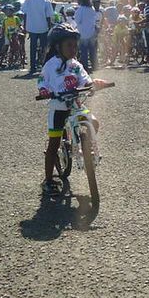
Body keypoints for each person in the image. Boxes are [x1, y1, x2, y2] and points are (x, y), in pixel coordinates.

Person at [37, 24, 111, 195]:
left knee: (93, 122)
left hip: (76, 105)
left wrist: (92, 84)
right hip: (58, 109)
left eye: (75, 45)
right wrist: (44, 90)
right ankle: (48, 181)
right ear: (58, 46)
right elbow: (42, 81)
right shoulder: (50, 65)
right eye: (69, 45)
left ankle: (87, 146)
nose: (73, 48)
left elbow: (85, 79)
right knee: (53, 146)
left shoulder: (75, 64)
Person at [21, 0, 54, 74]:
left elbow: (24, 13)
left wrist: (24, 26)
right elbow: (48, 16)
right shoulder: (46, 0)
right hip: (43, 27)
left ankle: (32, 67)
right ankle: (43, 65)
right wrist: (49, 26)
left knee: (33, 47)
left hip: (32, 27)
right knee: (44, 47)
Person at [73, 0, 99, 72]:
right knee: (92, 51)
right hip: (91, 33)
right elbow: (95, 20)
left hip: (82, 33)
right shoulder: (92, 9)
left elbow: (77, 21)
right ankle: (95, 66)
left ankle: (85, 68)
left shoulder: (80, 10)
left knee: (84, 52)